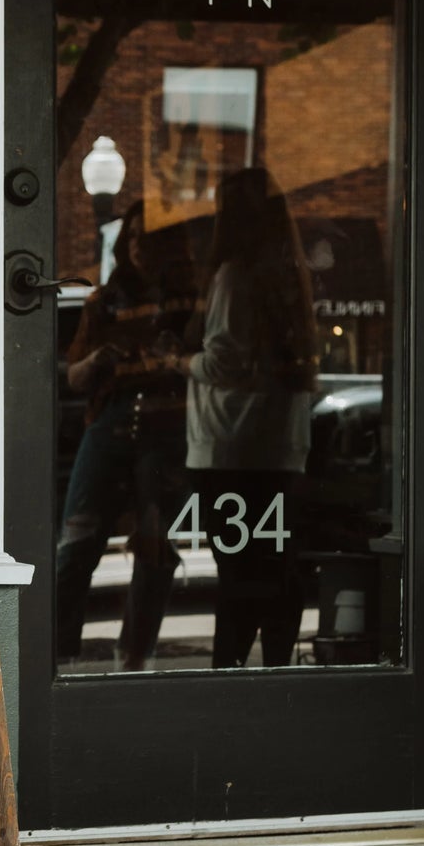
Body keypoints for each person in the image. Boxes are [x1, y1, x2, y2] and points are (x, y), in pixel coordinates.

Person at [159, 168, 318, 668]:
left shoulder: (234, 275)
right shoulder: (289, 275)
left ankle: (227, 676)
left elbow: (224, 361)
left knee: (237, 576)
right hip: (280, 446)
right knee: (275, 572)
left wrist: (176, 361)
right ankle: (274, 672)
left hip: (229, 446)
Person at [55, 203, 197, 668]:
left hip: (168, 425)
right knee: (77, 541)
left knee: (155, 547)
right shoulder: (106, 299)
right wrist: (99, 361)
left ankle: (134, 660)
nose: (140, 246)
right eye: (133, 237)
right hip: (111, 421)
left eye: (150, 237)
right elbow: (72, 376)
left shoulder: (189, 299)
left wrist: (174, 355)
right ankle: (56, 659)